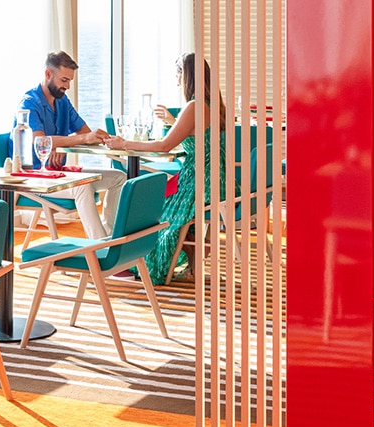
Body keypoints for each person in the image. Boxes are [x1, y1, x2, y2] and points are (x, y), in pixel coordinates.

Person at [103, 52, 229, 286]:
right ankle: (192, 267)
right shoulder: (214, 105)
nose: (177, 81)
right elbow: (198, 135)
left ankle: (127, 256)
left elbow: (164, 147)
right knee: (167, 199)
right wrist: (174, 121)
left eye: (178, 75)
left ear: (187, 76)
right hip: (217, 177)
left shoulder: (193, 106)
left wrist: (124, 144)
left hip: (199, 179)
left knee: (153, 207)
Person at [14, 50, 127, 240]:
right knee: (82, 186)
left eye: (70, 82)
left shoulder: (62, 101)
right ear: (48, 74)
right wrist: (63, 142)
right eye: (64, 80)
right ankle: (101, 250)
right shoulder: (29, 103)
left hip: (59, 173)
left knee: (119, 177)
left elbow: (84, 131)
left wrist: (58, 144)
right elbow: (39, 141)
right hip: (33, 177)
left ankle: (109, 237)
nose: (67, 86)